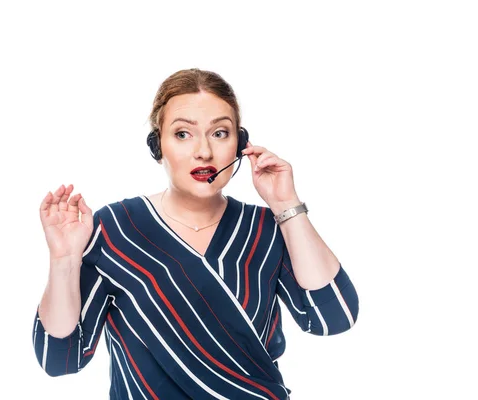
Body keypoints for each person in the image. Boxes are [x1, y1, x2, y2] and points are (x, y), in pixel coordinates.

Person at [32, 68, 359, 399]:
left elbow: (334, 317)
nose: (203, 151)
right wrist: (64, 259)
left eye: (219, 133)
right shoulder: (116, 228)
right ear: (157, 144)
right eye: (183, 134)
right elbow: (60, 358)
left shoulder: (265, 229)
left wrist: (286, 203)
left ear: (240, 144)